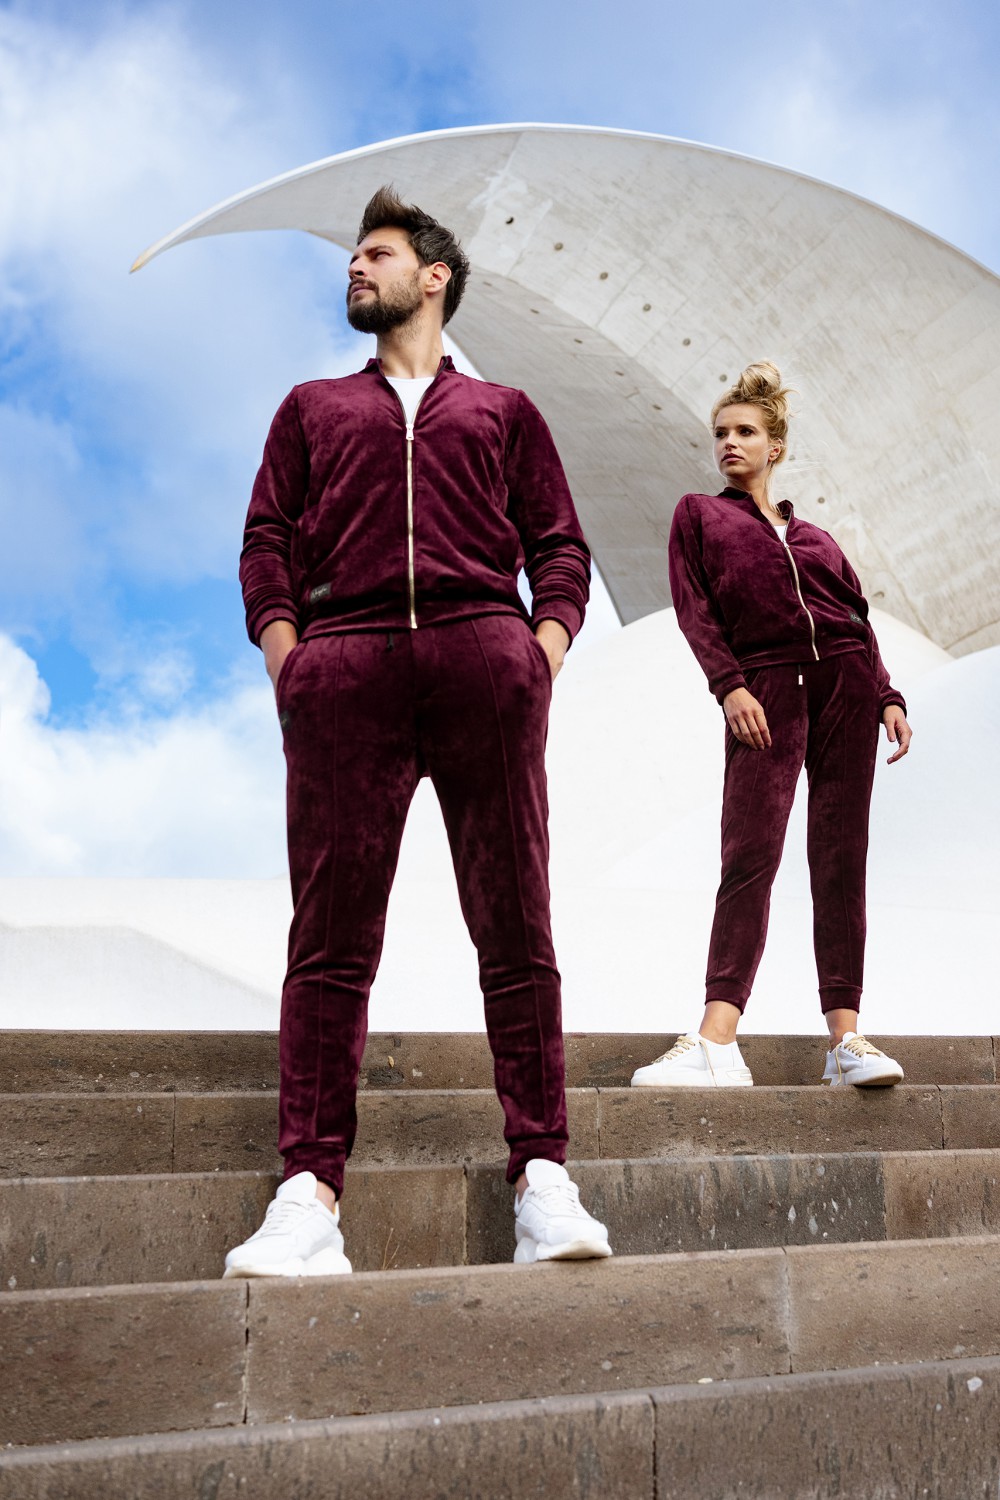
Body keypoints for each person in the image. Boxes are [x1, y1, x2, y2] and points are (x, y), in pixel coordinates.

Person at [224, 186, 611, 1276]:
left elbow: (561, 545)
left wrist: (539, 652)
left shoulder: (505, 411)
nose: (355, 267)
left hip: (483, 662)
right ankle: (307, 1195)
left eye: (377, 253)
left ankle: (543, 1180)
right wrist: (289, 658)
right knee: (329, 940)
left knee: (516, 928)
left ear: (434, 277)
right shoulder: (311, 408)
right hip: (343, 673)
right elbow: (265, 541)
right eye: (352, 255)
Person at [632, 362, 912, 1091]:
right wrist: (729, 685)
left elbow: (855, 620)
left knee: (840, 860)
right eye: (721, 433)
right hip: (765, 688)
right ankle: (717, 1040)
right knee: (750, 853)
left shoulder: (818, 539)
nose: (729, 442)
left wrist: (886, 694)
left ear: (774, 447)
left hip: (846, 687)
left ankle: (846, 1042)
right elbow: (696, 610)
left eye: (745, 432)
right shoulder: (700, 515)